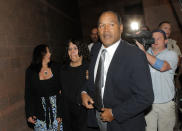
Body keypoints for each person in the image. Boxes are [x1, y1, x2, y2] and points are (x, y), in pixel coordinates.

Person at [81, 10, 154, 131]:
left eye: (111, 24)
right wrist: (84, 92)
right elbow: (93, 78)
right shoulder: (95, 49)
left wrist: (115, 113)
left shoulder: (134, 55)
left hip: (125, 124)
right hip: (99, 120)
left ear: (121, 28)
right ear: (97, 31)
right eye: (101, 25)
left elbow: (145, 97)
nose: (106, 29)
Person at [136, 29, 178, 131]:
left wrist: (143, 52)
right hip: (148, 104)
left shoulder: (171, 54)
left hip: (166, 104)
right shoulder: (143, 52)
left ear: (166, 41)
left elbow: (162, 67)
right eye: (153, 39)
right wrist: (137, 39)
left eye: (159, 38)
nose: (155, 41)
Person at [25, 44, 63, 131]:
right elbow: (28, 94)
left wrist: (61, 112)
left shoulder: (56, 67)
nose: (50, 54)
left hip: (57, 110)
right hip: (39, 111)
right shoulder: (31, 71)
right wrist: (29, 113)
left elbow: (62, 90)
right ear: (42, 54)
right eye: (48, 51)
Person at [60, 39, 93, 131]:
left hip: (85, 114)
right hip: (68, 115)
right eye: (69, 49)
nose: (72, 52)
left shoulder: (89, 68)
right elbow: (62, 93)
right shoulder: (63, 69)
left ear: (82, 49)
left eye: (75, 48)